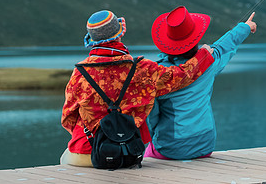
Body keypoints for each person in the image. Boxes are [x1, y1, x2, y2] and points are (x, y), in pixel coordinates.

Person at [60, 9, 214, 167]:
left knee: (64, 160)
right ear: (119, 34)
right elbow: (181, 76)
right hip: (128, 152)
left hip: (88, 153)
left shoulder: (79, 73)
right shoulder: (142, 69)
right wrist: (204, 56)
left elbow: (68, 118)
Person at [144, 6, 256, 160]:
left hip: (171, 147)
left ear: (168, 43)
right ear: (195, 39)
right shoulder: (207, 63)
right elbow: (223, 46)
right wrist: (245, 27)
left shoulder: (159, 74)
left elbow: (153, 117)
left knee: (148, 153)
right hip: (205, 144)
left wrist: (157, 134)